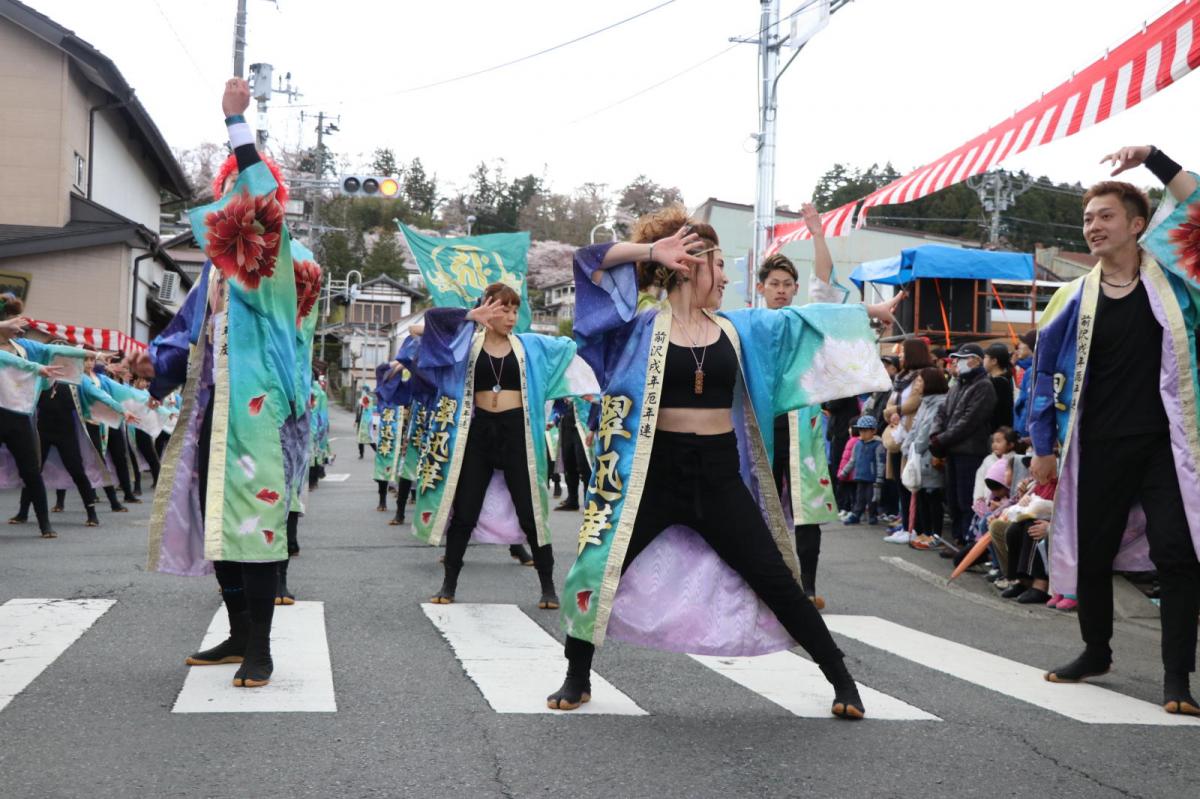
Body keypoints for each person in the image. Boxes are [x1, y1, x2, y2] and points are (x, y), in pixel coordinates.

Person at [549, 205, 899, 718]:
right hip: (652, 475)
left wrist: (869, 313)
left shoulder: (740, 329)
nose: (728, 278)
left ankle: (841, 678)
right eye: (718, 265)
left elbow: (803, 321)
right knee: (600, 565)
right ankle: (576, 676)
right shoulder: (635, 329)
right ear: (688, 265)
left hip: (718, 477)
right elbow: (589, 263)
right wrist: (652, 250)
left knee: (774, 576)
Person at [133, 77, 310, 689]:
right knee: (220, 526)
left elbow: (260, 196)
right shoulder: (214, 274)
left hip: (260, 415)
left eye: (244, 192)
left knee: (253, 526)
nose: (236, 201)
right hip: (216, 411)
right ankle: (238, 632)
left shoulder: (284, 261)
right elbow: (183, 335)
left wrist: (236, 123)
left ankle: (261, 648)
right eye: (228, 192)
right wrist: (148, 366)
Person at [1032, 145, 1200, 716]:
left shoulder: (1174, 283)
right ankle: (1095, 651)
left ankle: (1177, 677)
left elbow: (1198, 207)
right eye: (1087, 218)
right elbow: (1043, 376)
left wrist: (1154, 158)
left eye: (1106, 216)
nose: (1093, 226)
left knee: (1177, 554)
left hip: (1165, 446)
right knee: (1093, 553)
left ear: (1137, 224)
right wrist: (1042, 446)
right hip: (1095, 444)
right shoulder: (1070, 297)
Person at [413, 283, 597, 610]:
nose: (511, 317)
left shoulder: (530, 346)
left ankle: (547, 586)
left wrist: (583, 384)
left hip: (517, 433)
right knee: (465, 511)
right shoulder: (466, 344)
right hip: (478, 433)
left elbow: (570, 348)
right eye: (504, 310)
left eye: (514, 310)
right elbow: (425, 326)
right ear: (487, 308)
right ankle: (449, 583)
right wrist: (469, 316)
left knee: (530, 510)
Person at [756, 203, 848, 609]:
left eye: (787, 284)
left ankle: (807, 588)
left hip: (802, 425)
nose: (781, 289)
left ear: (795, 289)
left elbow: (824, 282)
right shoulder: (748, 324)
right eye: (774, 283)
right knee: (760, 505)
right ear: (761, 288)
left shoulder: (804, 319)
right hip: (761, 423)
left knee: (807, 506)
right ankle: (764, 584)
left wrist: (817, 234)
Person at [0, 301, 73, 538]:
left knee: (31, 471)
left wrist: (95, 354)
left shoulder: (22, 347)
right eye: (14, 322)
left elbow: (53, 350)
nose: (19, 328)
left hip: (20, 415)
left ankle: (45, 524)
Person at [929, 343, 997, 547]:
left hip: (970, 451)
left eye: (962, 358)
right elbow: (942, 412)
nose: (957, 362)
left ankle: (968, 542)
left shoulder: (984, 386)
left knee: (966, 498)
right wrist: (936, 435)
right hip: (952, 449)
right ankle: (957, 539)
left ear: (976, 360)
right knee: (952, 497)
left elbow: (969, 421)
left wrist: (942, 439)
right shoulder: (957, 384)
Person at [902, 367, 950, 546]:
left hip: (929, 454)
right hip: (917, 454)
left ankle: (935, 534)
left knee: (932, 495)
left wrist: (913, 448)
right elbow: (915, 427)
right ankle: (925, 532)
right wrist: (907, 446)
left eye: (920, 381)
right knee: (921, 494)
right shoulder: (924, 402)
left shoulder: (939, 403)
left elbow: (927, 431)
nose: (916, 385)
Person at [984, 341, 1015, 432]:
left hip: (996, 432)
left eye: (985, 357)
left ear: (994, 361)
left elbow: (996, 412)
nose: (983, 360)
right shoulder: (1001, 379)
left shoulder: (999, 383)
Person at [1012, 329, 1037, 440]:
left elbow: (1027, 404)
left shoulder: (1033, 371)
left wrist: (1021, 432)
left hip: (1026, 434)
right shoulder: (1029, 368)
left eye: (1023, 343)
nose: (1019, 346)